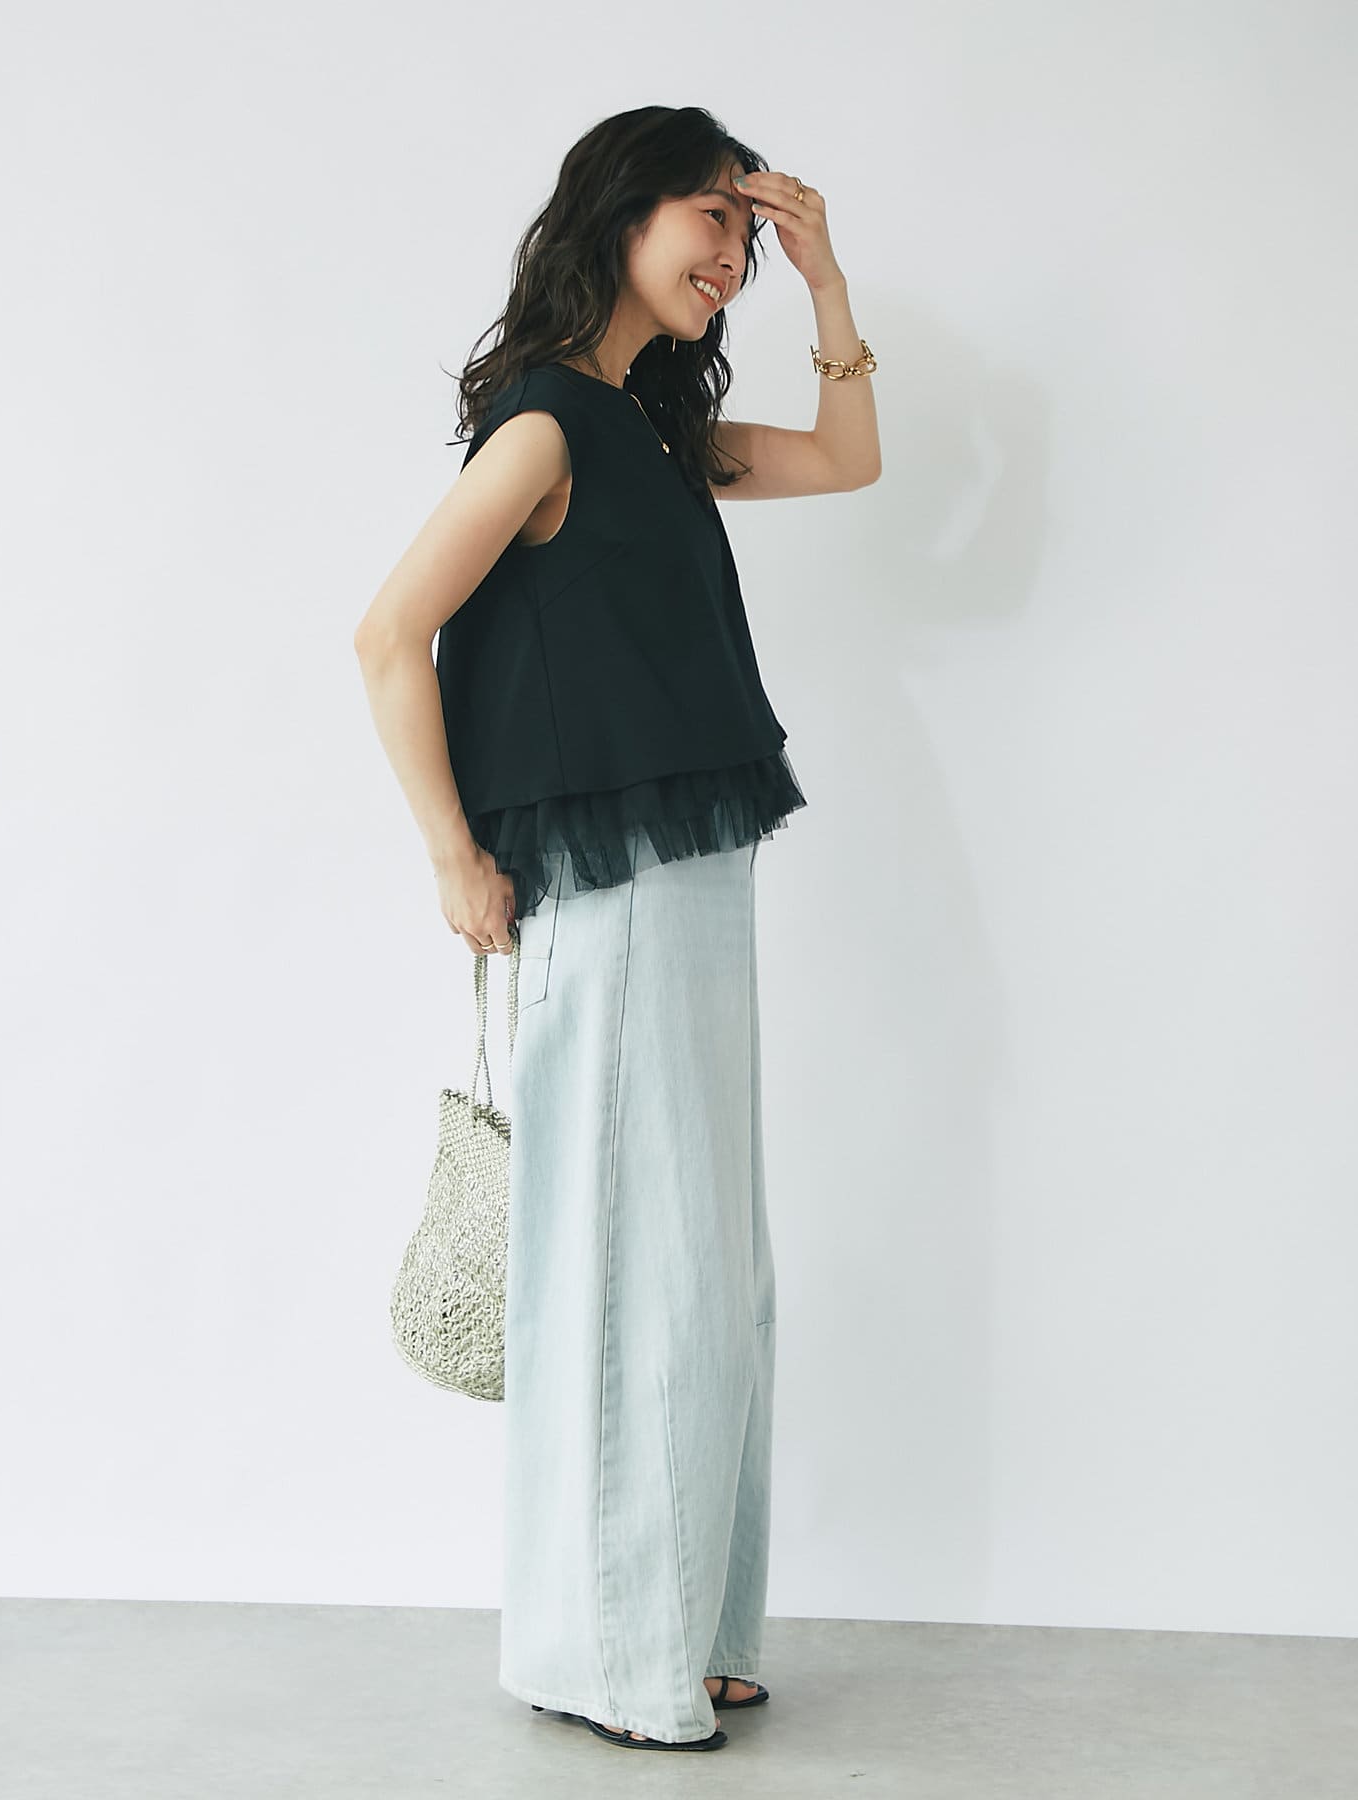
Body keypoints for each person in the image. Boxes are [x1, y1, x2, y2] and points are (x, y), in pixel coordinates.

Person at [354, 104, 880, 1753]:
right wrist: (453, 856)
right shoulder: (545, 428)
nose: (734, 252)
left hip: (691, 879)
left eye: (747, 228)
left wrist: (827, 282)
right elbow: (386, 636)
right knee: (638, 1267)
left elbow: (849, 459)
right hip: (613, 891)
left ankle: (689, 1631)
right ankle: (614, 1655)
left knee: (710, 1270)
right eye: (710, 217)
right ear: (621, 213)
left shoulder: (655, 430)